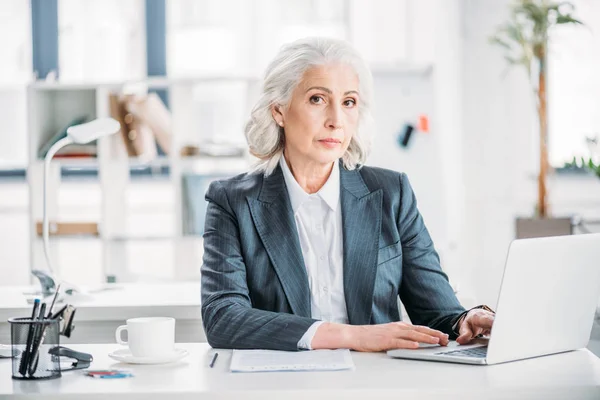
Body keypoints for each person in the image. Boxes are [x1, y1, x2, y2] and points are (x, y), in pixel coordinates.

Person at [201, 37, 494, 351]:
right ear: (279, 111)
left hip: (374, 383)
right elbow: (223, 318)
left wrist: (466, 319)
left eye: (349, 102)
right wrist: (351, 336)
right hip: (283, 383)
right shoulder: (231, 200)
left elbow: (439, 312)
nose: (336, 120)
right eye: (317, 99)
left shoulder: (392, 193)